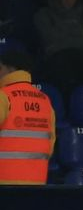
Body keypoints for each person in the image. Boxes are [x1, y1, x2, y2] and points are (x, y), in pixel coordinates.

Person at [0, 50, 56, 185]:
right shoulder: (45, 100)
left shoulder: (4, 96)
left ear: (10, 69)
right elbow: (50, 146)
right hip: (36, 186)